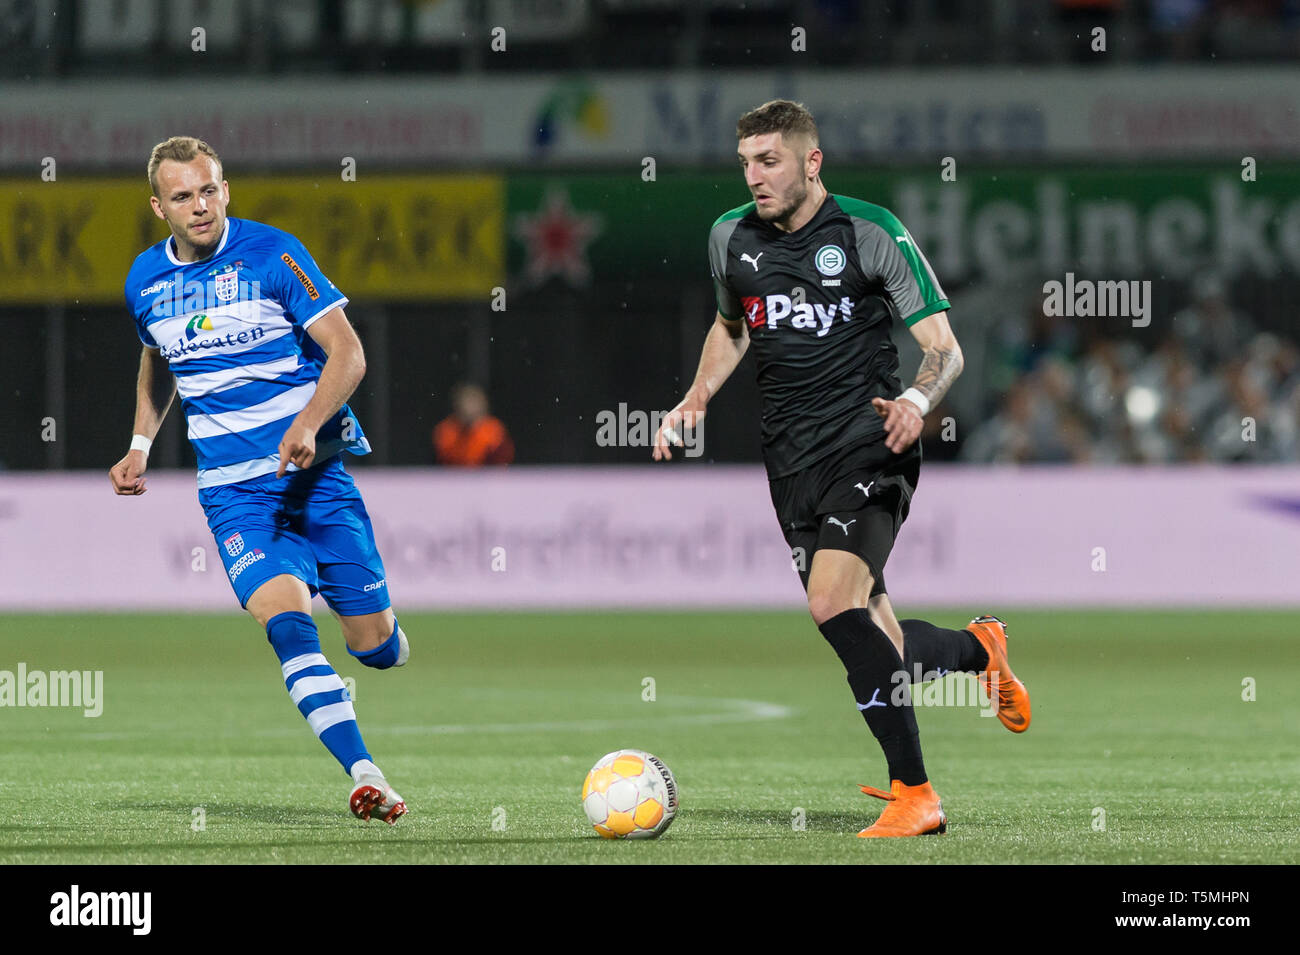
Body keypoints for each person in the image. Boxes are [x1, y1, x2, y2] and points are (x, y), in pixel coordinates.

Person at [652, 100, 1031, 838]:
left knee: (831, 602)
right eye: (746, 163)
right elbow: (732, 327)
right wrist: (695, 396)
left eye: (769, 161)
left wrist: (918, 401)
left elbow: (944, 347)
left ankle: (916, 794)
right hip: (789, 460)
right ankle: (977, 648)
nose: (755, 177)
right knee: (872, 634)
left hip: (873, 440)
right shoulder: (729, 237)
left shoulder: (871, 231)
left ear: (810, 161)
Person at [109, 136, 408, 825]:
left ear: (226, 189)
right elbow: (157, 365)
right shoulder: (144, 282)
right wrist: (138, 444)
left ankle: (378, 645)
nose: (200, 205)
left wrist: (307, 422)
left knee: (377, 648)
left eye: (209, 189)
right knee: (285, 623)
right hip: (235, 496)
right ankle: (366, 774)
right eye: (182, 196)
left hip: (317, 478)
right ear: (159, 207)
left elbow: (349, 352)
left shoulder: (274, 254)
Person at [432, 382, 515, 466]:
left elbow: (503, 464)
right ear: (456, 406)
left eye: (473, 403)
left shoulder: (494, 431)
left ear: (483, 405)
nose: (468, 408)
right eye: (465, 403)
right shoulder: (446, 431)